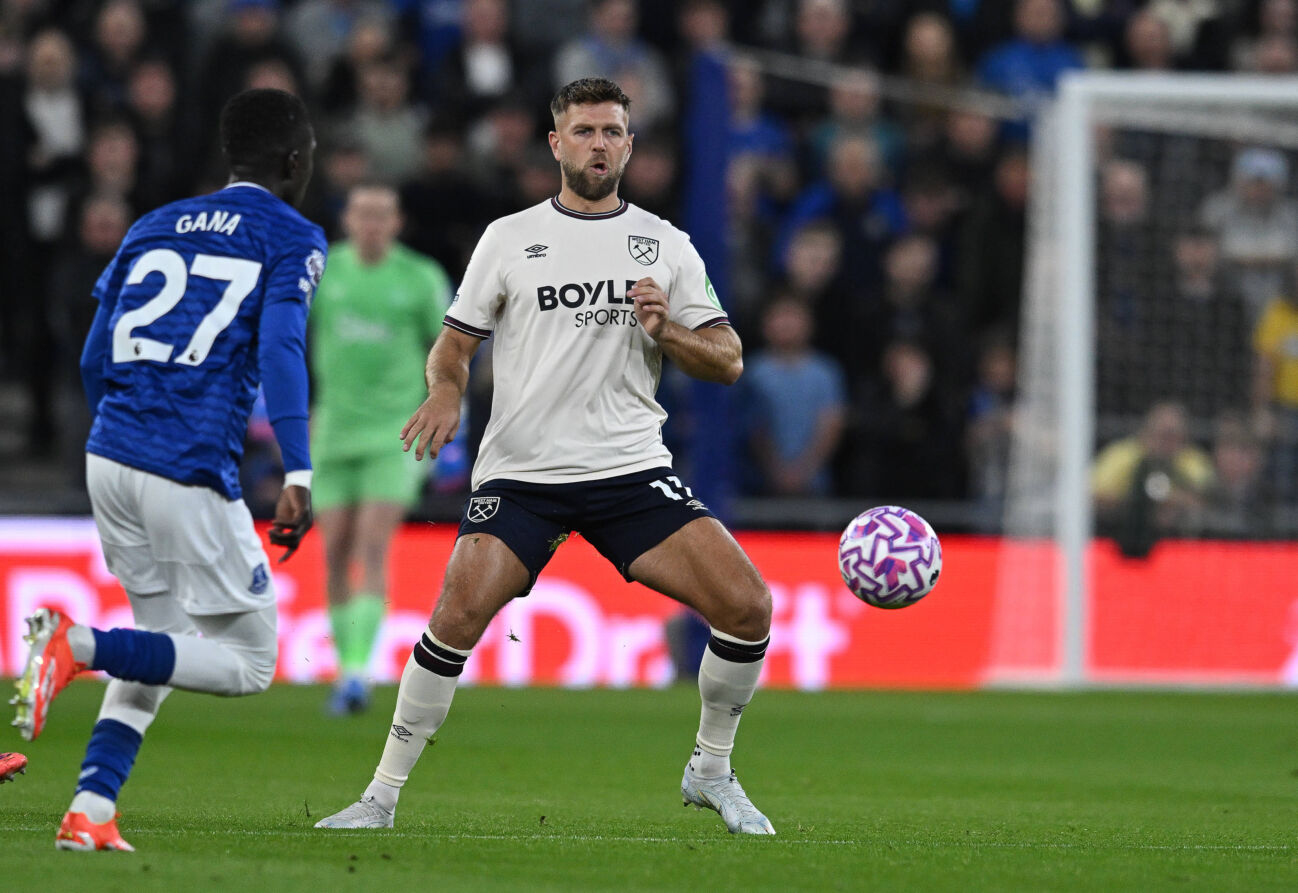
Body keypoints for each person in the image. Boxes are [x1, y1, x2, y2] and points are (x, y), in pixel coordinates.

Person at [314, 77, 775, 836]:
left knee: (749, 605)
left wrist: (668, 331)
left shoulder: (664, 243)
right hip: (524, 472)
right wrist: (445, 392)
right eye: (585, 131)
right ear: (556, 143)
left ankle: (711, 770)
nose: (600, 144)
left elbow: (727, 360)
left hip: (629, 470)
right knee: (456, 615)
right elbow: (454, 346)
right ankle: (380, 797)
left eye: (613, 132)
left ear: (629, 145)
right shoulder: (508, 237)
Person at [12, 88, 324, 852]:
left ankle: (91, 806)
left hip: (111, 455)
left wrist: (123, 432)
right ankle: (77, 644)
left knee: (161, 638)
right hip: (183, 465)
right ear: (294, 162)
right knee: (250, 661)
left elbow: (94, 355)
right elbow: (281, 346)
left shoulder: (153, 223)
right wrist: (299, 470)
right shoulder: (291, 234)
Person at [311, 182, 452, 715]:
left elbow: (447, 350)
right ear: (347, 219)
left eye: (381, 215)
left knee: (372, 544)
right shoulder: (323, 271)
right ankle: (345, 665)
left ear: (396, 223)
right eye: (362, 214)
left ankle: (355, 672)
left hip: (395, 432)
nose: (371, 224)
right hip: (333, 431)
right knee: (334, 550)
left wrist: (444, 410)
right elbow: (285, 337)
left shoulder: (419, 278)